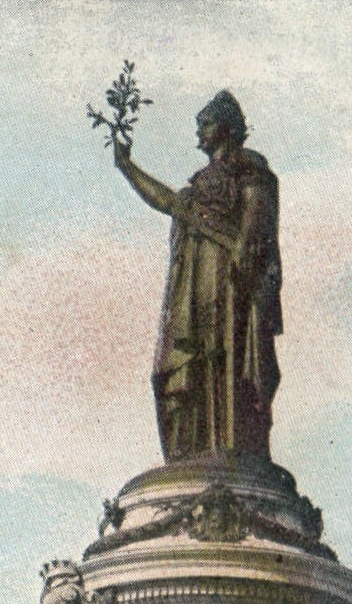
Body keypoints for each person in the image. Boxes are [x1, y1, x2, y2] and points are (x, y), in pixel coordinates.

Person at [114, 90, 282, 461]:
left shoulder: (249, 168)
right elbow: (168, 201)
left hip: (226, 276)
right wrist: (128, 168)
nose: (198, 135)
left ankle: (231, 443)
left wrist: (243, 253)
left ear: (226, 127)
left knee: (226, 355)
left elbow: (256, 217)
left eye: (204, 125)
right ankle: (197, 447)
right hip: (192, 284)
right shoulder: (195, 190)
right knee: (191, 360)